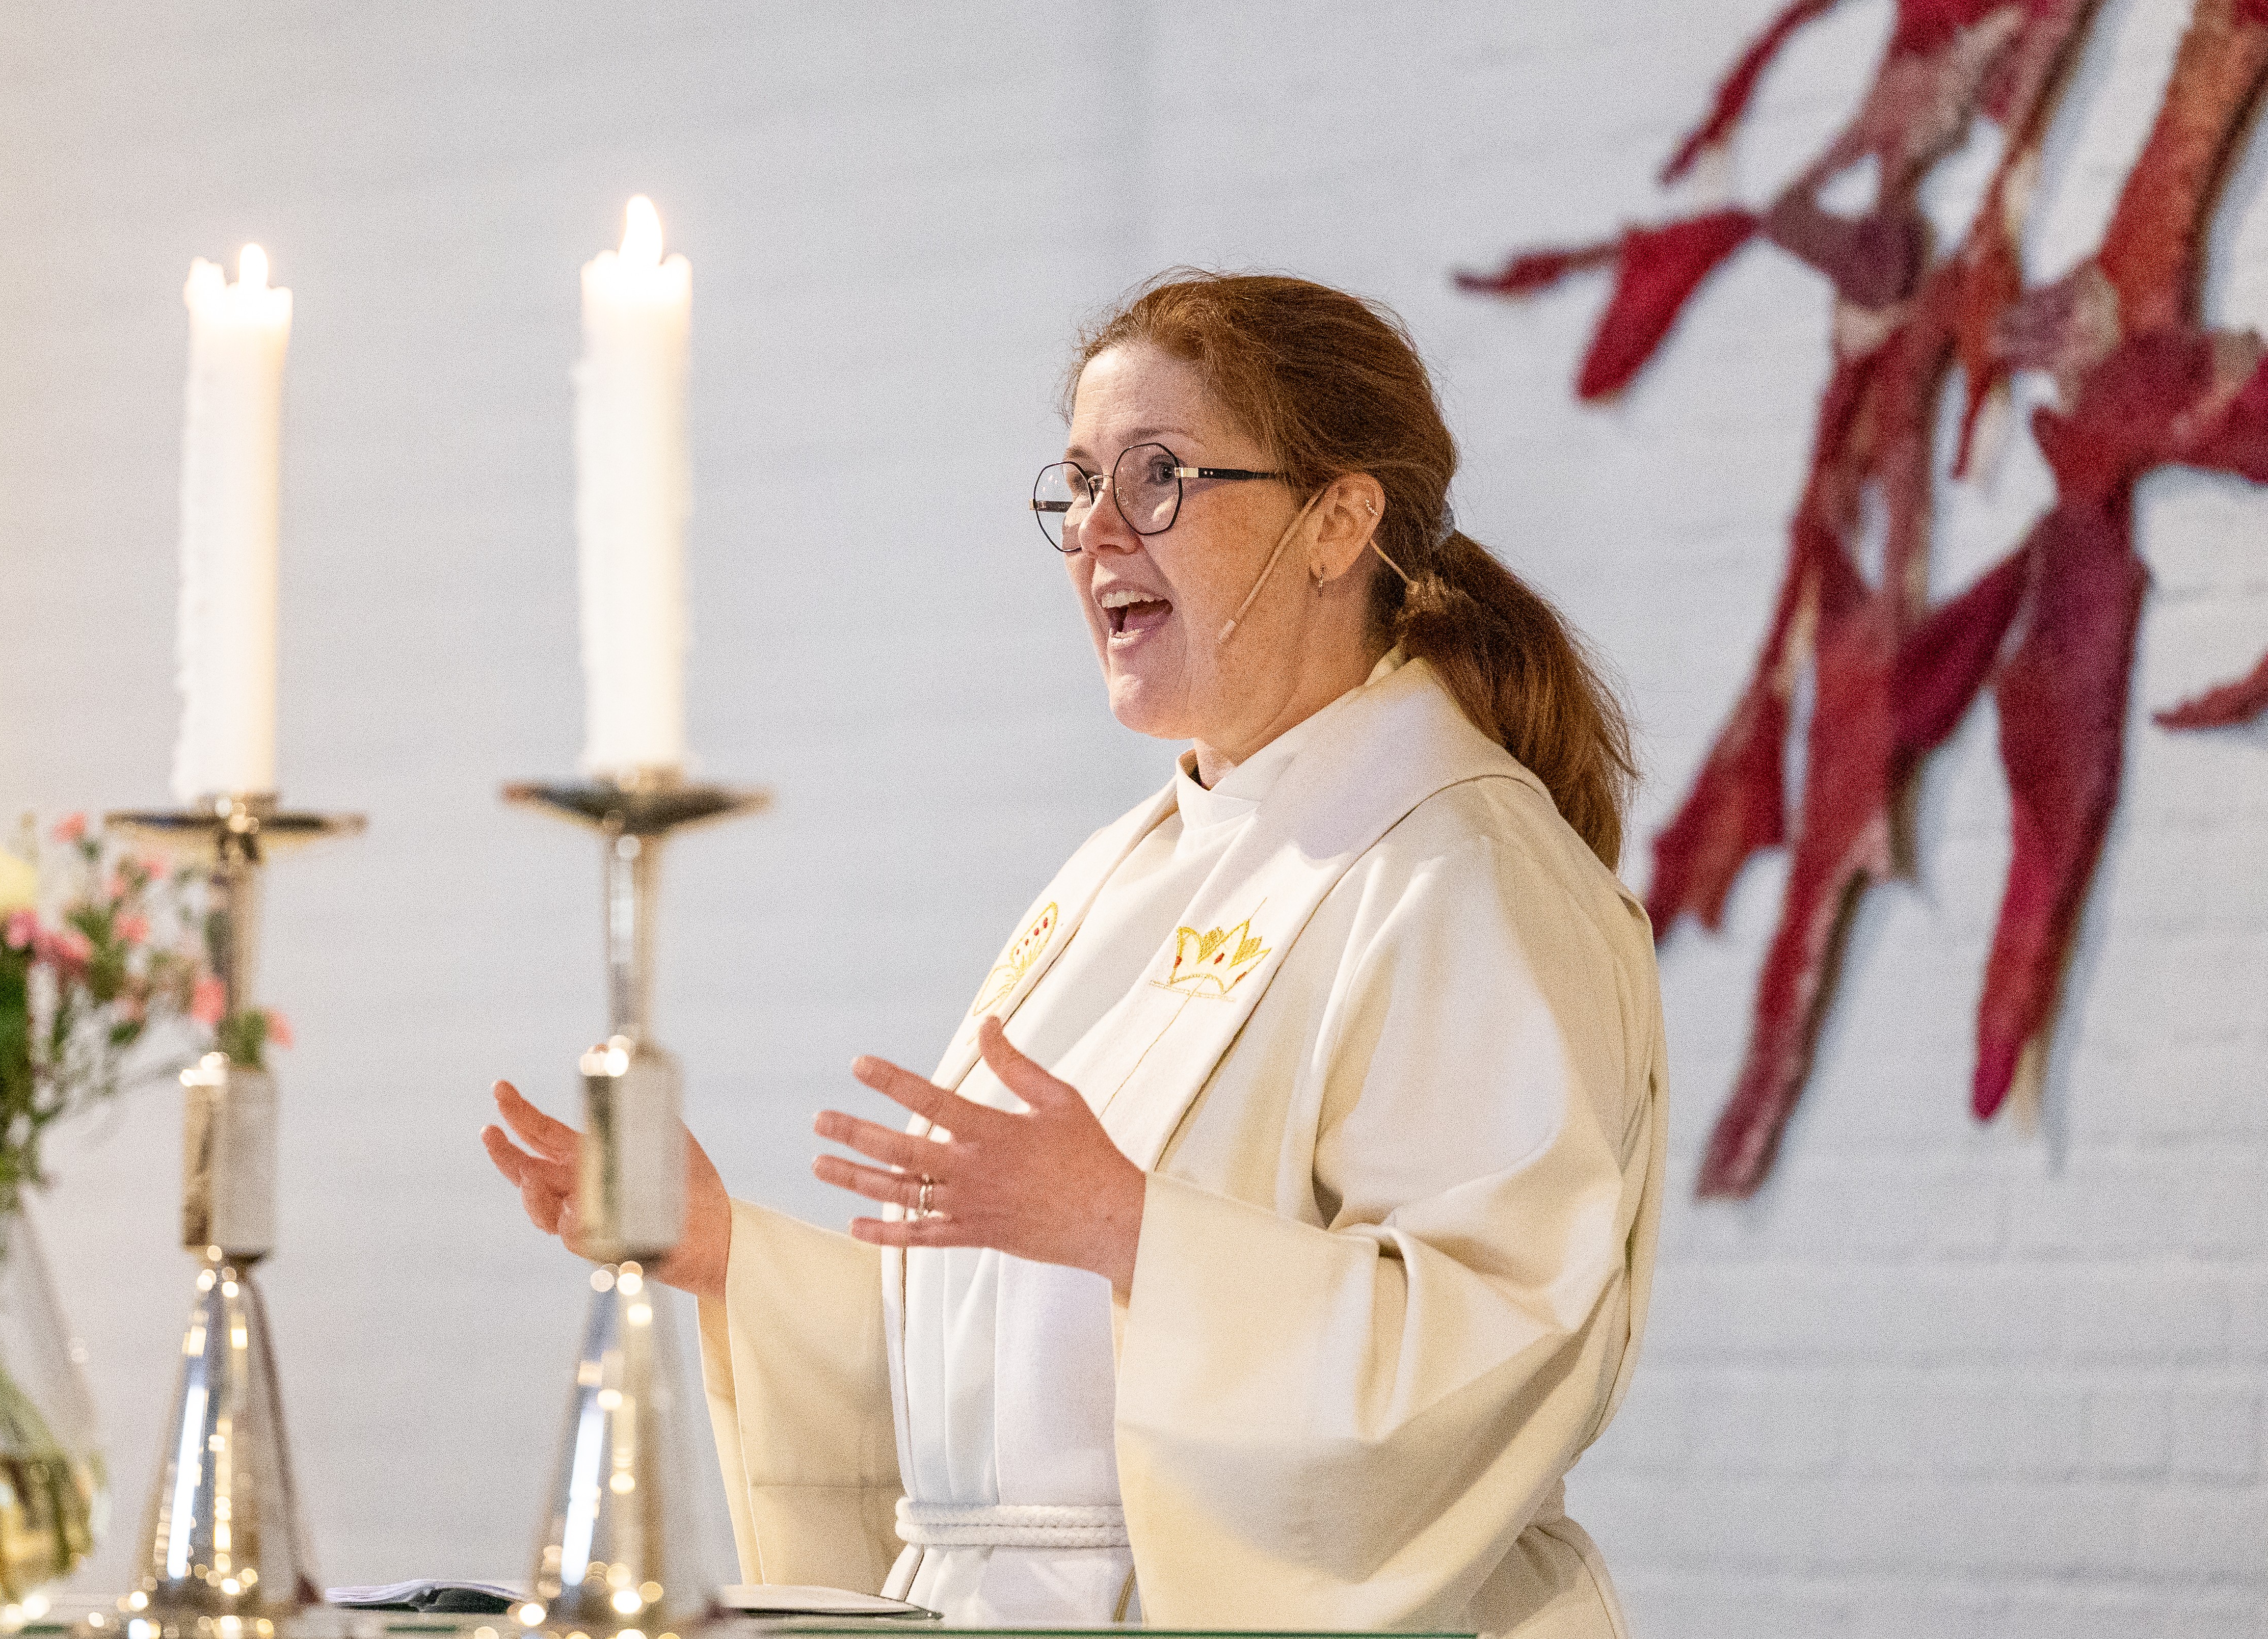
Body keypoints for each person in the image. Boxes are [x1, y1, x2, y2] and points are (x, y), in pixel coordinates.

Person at [484, 271, 1665, 1639]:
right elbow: (1021, 1430)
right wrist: (731, 1257)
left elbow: (1505, 1347)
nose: (1095, 533)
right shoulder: (1125, 874)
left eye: (1158, 477)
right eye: (1077, 484)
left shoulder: (1462, 872)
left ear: (1340, 519)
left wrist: (1128, 1226)